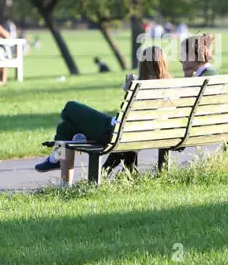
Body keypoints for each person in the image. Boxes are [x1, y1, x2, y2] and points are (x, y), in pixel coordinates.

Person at [35, 46, 172, 175]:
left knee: (70, 108)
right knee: (67, 127)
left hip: (114, 131)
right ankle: (61, 171)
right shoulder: (169, 87)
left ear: (143, 65)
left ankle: (56, 158)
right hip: (127, 132)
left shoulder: (141, 87)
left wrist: (128, 89)